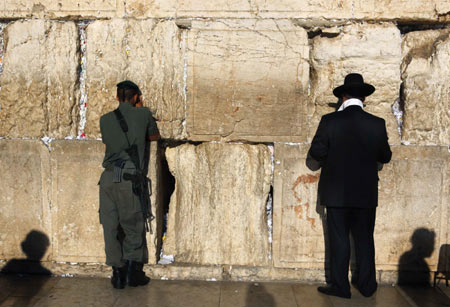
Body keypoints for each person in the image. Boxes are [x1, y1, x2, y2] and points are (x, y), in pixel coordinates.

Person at [309, 73, 392, 298]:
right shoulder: (377, 124)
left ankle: (340, 287)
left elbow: (317, 153)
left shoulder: (329, 121)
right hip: (365, 193)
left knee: (339, 241)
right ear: (364, 98)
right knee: (365, 239)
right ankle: (367, 286)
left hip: (336, 193)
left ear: (342, 97)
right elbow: (385, 157)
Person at [99, 80, 159, 289]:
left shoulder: (105, 119)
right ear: (136, 97)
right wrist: (141, 109)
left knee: (110, 226)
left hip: (108, 178)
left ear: (117, 98)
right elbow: (154, 136)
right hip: (128, 177)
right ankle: (133, 274)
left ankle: (117, 274)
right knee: (133, 225)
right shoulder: (143, 114)